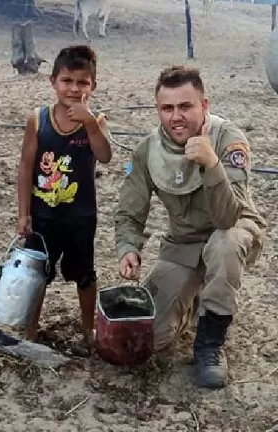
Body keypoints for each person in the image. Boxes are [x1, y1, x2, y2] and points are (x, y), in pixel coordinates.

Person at [115, 65, 266, 388]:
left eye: (185, 106)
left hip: (232, 230)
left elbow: (227, 218)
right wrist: (128, 248)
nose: (176, 117)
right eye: (167, 108)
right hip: (184, 244)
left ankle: (210, 343)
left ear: (204, 105)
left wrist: (211, 164)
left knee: (224, 245)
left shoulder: (228, 140)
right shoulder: (148, 150)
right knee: (147, 340)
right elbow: (129, 211)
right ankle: (195, 298)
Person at [16, 45, 112, 347]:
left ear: (93, 86)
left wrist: (90, 122)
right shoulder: (38, 119)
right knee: (37, 273)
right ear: (53, 81)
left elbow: (105, 156)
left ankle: (88, 329)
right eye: (67, 80)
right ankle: (31, 329)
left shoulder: (96, 121)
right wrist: (24, 213)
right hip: (43, 215)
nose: (74, 88)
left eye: (82, 82)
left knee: (84, 274)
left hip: (81, 216)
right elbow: (26, 167)